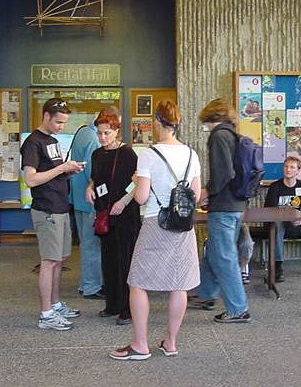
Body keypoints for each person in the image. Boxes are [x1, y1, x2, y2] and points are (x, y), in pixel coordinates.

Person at [108, 100, 202, 361]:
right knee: (179, 284)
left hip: (155, 223)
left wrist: (137, 181)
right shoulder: (191, 154)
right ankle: (170, 343)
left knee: (137, 282)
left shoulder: (149, 155)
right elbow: (195, 194)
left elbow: (140, 197)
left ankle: (140, 345)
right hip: (183, 226)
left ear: (158, 122)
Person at [20, 98, 85, 331]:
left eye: (64, 122)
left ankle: (55, 304)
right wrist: (61, 168)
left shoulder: (53, 141)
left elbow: (52, 173)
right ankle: (46, 314)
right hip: (46, 209)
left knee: (60, 259)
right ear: (46, 116)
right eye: (58, 122)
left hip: (60, 206)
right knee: (49, 261)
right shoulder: (32, 143)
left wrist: (68, 171)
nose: (61, 126)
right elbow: (31, 179)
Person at [188, 98, 251, 323]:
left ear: (211, 117)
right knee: (215, 251)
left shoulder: (218, 136)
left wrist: (206, 192)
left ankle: (238, 309)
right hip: (236, 205)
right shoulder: (233, 134)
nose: (204, 125)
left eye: (205, 121)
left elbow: (224, 173)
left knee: (224, 257)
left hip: (224, 206)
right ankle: (206, 294)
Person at [85, 110, 141, 325]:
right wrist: (90, 188)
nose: (102, 137)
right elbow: (95, 178)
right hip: (105, 213)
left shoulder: (127, 153)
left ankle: (128, 308)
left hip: (125, 213)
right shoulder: (97, 154)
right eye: (99, 133)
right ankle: (113, 303)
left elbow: (138, 182)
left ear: (116, 131)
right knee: (108, 259)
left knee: (125, 260)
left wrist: (124, 201)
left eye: (107, 133)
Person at [69, 119, 103, 300]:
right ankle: (91, 286)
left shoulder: (81, 131)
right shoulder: (92, 137)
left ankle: (85, 283)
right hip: (90, 199)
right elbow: (92, 170)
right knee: (92, 245)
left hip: (77, 197)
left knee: (85, 243)